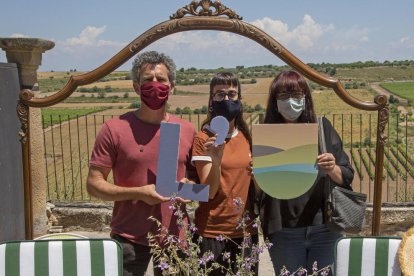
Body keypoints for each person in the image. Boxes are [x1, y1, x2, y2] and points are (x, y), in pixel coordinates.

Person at [86, 51, 196, 276]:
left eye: (161, 80)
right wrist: (138, 193)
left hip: (175, 237)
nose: (155, 85)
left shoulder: (186, 130)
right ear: (136, 87)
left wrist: (189, 188)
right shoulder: (114, 129)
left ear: (172, 86)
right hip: (129, 238)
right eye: (148, 80)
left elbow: (197, 180)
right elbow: (94, 184)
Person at [259, 70, 354, 274]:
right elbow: (259, 190)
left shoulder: (322, 129)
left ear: (306, 98)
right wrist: (256, 173)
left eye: (296, 95)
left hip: (324, 229)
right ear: (274, 101)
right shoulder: (266, 135)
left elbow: (346, 175)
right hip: (284, 232)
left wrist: (332, 168)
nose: (290, 101)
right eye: (283, 96)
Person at [191, 72, 259, 275]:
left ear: (240, 99)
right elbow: (209, 192)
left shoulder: (248, 137)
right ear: (211, 100)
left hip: (246, 232)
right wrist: (216, 158)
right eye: (220, 94)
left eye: (232, 93)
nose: (227, 99)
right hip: (212, 232)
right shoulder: (204, 139)